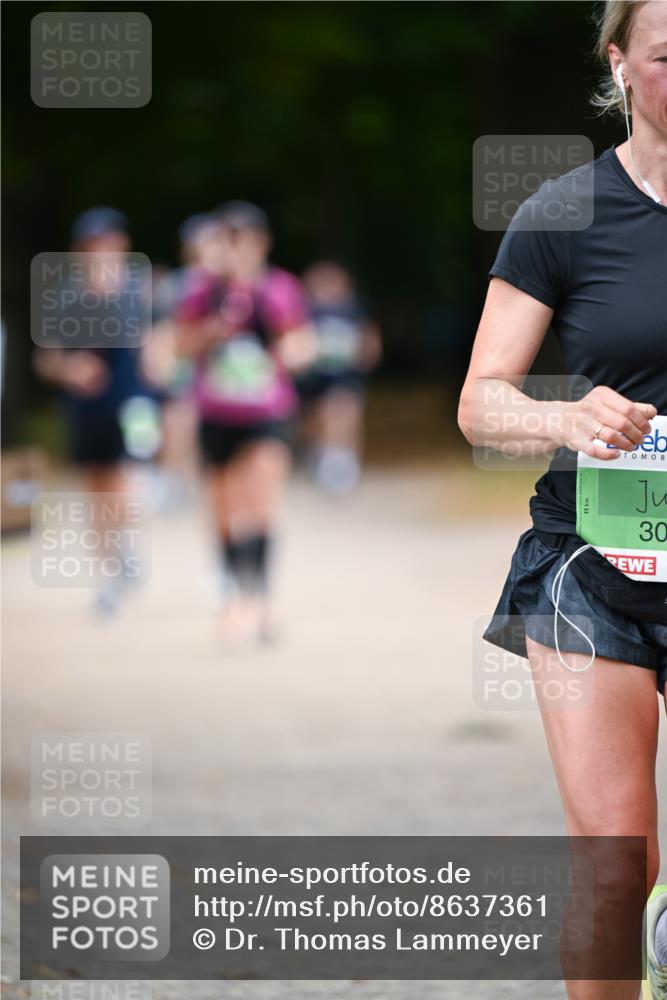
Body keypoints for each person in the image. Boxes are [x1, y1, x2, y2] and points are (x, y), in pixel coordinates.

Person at [458, 2, 666, 997]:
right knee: (620, 864)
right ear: (618, 62)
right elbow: (480, 402)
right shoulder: (562, 213)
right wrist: (565, 417)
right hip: (593, 562)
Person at [175, 201, 314, 641]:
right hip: (218, 414)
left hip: (267, 413)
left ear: (262, 243)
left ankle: (262, 598)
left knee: (262, 502)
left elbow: (302, 341)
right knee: (225, 509)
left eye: (246, 239)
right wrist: (208, 334)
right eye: (229, 240)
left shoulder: (279, 289)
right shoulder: (202, 292)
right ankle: (234, 593)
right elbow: (178, 345)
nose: (238, 249)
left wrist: (293, 352)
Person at [34, 206, 154, 614]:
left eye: (108, 244)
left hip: (133, 404)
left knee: (123, 480)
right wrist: (70, 368)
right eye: (92, 246)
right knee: (95, 488)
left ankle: (124, 549)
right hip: (86, 409)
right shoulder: (66, 297)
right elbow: (46, 357)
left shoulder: (142, 293)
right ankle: (110, 570)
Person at [298, 261, 381, 495]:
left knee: (344, 412)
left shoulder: (355, 308)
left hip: (345, 374)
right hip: (314, 375)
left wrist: (368, 357)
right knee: (313, 419)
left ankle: (343, 461)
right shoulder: (304, 308)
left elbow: (369, 337)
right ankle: (319, 456)